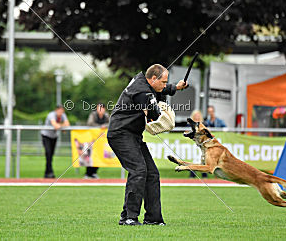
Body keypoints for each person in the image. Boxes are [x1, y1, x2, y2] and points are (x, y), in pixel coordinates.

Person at [107, 64, 188, 226]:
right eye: (164, 82)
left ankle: (153, 219)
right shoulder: (142, 92)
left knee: (152, 173)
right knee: (139, 170)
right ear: (153, 78)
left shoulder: (143, 82)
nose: (165, 85)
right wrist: (162, 112)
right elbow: (154, 115)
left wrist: (175, 88)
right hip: (120, 134)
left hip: (133, 135)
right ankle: (129, 217)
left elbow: (159, 89)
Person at [41, 105, 70, 178]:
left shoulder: (63, 115)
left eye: (62, 111)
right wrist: (62, 125)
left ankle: (48, 172)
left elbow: (67, 124)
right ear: (56, 110)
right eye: (59, 111)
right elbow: (55, 125)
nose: (61, 112)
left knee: (51, 154)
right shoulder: (51, 115)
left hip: (54, 137)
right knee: (48, 153)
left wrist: (60, 125)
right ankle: (49, 172)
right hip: (46, 136)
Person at [85, 103, 110, 179]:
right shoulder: (93, 115)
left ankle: (94, 172)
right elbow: (89, 123)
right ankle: (88, 173)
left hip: (101, 140)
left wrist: (104, 126)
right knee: (90, 154)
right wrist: (99, 127)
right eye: (99, 108)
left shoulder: (106, 115)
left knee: (99, 155)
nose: (100, 110)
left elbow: (111, 123)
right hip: (92, 138)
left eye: (102, 108)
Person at [188, 110, 207, 178]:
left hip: (202, 144)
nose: (197, 118)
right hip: (194, 144)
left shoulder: (204, 125)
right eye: (195, 116)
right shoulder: (190, 125)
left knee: (203, 159)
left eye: (198, 116)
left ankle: (204, 175)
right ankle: (192, 174)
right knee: (195, 158)